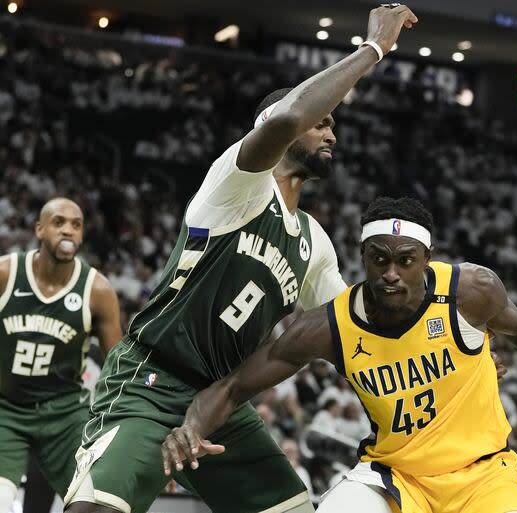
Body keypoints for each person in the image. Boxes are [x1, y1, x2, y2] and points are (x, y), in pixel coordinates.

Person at [63, 6, 419, 513]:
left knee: (293, 510)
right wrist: (373, 49)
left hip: (221, 402)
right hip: (152, 381)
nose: (331, 135)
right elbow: (289, 116)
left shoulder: (315, 241)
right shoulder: (237, 184)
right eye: (322, 122)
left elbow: (354, 329)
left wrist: (446, 350)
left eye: (333, 126)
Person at [161, 196, 517, 513]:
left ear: (427, 258)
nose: (391, 273)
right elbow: (236, 386)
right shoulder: (330, 327)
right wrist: (190, 427)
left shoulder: (469, 291)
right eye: (379, 260)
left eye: (405, 261)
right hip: (396, 478)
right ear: (363, 258)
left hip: (483, 476)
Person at [0, 198, 122, 513]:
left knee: (102, 502)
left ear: (82, 236)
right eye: (58, 222)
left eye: (76, 224)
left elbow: (119, 369)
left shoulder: (98, 291)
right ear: (39, 229)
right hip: (6, 410)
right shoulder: (5, 274)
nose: (67, 230)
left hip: (65, 415)